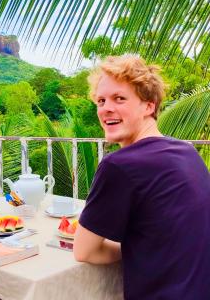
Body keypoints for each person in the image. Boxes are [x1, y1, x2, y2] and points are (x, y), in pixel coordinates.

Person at [74, 54, 210, 300]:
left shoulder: (119, 165)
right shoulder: (187, 151)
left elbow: (84, 251)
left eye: (120, 98)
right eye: (101, 100)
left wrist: (130, 246)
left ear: (149, 106)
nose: (106, 108)